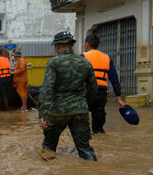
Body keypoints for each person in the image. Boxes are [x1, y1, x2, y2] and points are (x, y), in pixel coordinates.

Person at [38, 31, 98, 161]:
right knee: (85, 148)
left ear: (58, 46)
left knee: (48, 148)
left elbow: (46, 90)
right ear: (71, 45)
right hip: (80, 110)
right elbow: (93, 88)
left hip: (58, 111)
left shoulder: (53, 63)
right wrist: (82, 102)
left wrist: (43, 113)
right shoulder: (85, 63)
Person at [82, 34, 127, 134]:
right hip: (101, 93)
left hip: (86, 91)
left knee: (81, 119)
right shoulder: (106, 58)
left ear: (87, 44)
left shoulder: (83, 56)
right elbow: (114, 79)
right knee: (98, 122)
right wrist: (119, 98)